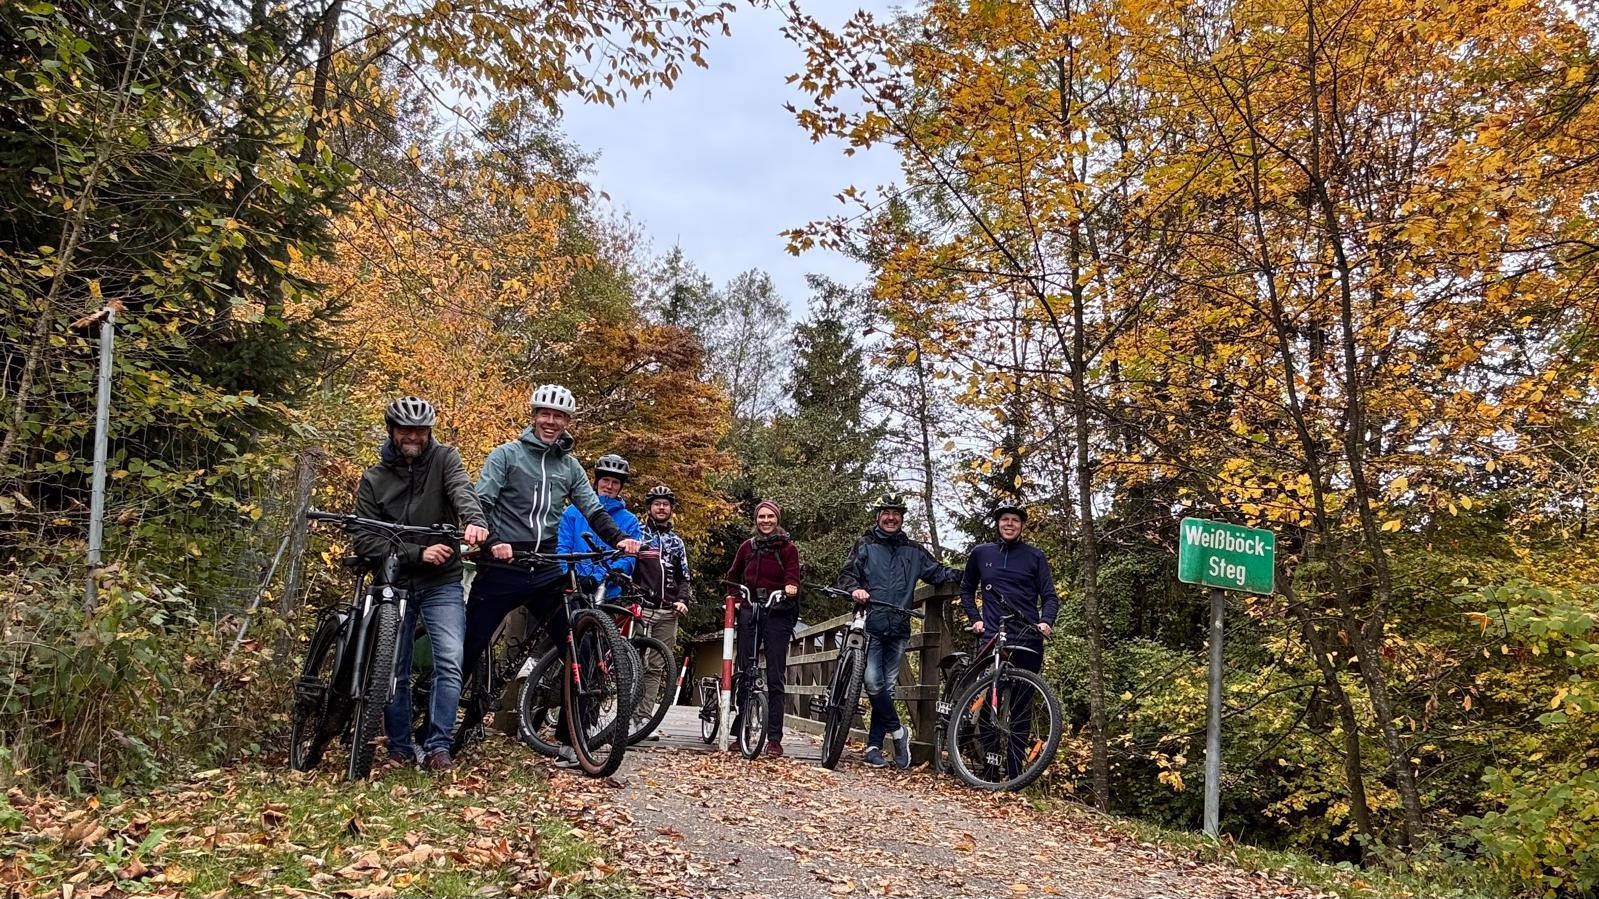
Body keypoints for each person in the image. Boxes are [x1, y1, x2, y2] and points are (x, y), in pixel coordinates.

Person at [466, 384, 642, 767]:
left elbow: (594, 510)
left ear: (566, 422)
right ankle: (437, 734)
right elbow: (481, 503)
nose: (551, 421)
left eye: (558, 416)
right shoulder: (507, 455)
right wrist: (492, 541)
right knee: (468, 646)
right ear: (534, 416)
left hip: (544, 567)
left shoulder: (570, 467)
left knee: (579, 646)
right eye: (545, 414)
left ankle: (570, 740)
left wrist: (620, 539)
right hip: (503, 561)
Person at [352, 396, 489, 772]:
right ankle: (400, 747)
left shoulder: (445, 459)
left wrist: (474, 520)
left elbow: (462, 491)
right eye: (405, 430)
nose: (413, 437)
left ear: (429, 432)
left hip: (442, 582)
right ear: (392, 431)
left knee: (450, 660)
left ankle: (438, 746)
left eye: (420, 431)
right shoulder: (374, 479)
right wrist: (417, 553)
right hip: (395, 582)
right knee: (393, 666)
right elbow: (364, 539)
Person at [836, 492, 959, 769]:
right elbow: (846, 574)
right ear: (878, 516)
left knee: (887, 689)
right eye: (886, 513)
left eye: (896, 514)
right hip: (870, 623)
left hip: (899, 626)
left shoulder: (913, 550)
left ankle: (874, 747)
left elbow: (938, 573)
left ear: (902, 518)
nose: (891, 518)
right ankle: (899, 731)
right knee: (872, 682)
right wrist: (854, 589)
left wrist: (970, 575)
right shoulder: (865, 545)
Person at [958, 500, 1059, 775]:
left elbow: (1050, 596)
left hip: (1027, 638)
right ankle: (990, 769)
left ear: (1022, 525)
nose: (1009, 524)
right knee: (991, 703)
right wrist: (975, 619)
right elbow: (966, 589)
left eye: (1015, 520)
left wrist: (1046, 621)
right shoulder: (981, 553)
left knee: (1021, 707)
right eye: (1005, 519)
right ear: (997, 524)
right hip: (993, 637)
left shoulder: (1035, 556)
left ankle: (1015, 774)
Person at [723, 499, 801, 757]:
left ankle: (774, 737)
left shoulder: (788, 548)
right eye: (761, 517)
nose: (765, 521)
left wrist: (790, 588)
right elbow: (733, 576)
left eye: (770, 517)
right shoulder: (747, 547)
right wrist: (736, 598)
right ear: (756, 520)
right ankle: (742, 731)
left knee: (775, 675)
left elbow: (793, 576)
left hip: (778, 612)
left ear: (777, 519)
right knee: (746, 670)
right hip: (751, 610)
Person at [634, 484, 692, 734]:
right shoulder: (636, 534)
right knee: (634, 662)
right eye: (657, 504)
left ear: (671, 509)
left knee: (656, 666)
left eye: (665, 504)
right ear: (649, 507)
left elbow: (684, 576)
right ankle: (626, 714)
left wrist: (682, 600)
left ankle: (644, 718)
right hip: (641, 608)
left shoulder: (676, 542)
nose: (661, 508)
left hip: (668, 611)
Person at [556, 453, 642, 597]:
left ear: (620, 487)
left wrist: (597, 578)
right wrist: (570, 577)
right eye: (605, 480)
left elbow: (628, 559)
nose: (609, 486)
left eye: (615, 482)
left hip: (608, 593)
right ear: (596, 482)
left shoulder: (630, 520)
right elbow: (562, 548)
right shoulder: (572, 512)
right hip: (572, 588)